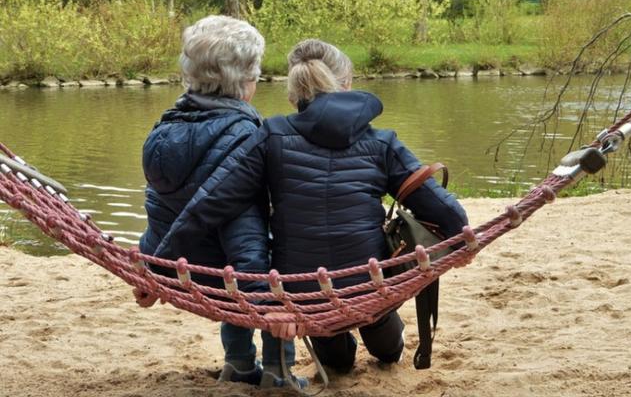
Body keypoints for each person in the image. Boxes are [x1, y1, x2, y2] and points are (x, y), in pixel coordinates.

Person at [157, 39, 468, 373]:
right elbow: (447, 213)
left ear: (294, 93)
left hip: (304, 294)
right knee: (386, 342)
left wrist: (158, 266)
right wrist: (461, 241)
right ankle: (383, 335)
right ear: (347, 84)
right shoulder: (382, 142)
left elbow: (212, 202)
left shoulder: (270, 135)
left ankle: (348, 340)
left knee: (338, 364)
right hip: (370, 283)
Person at [137, 15, 300, 388]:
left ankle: (239, 363)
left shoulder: (163, 129)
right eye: (255, 74)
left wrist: (150, 265)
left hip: (181, 266)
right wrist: (266, 303)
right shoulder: (246, 136)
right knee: (283, 256)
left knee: (233, 262)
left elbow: (160, 208)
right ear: (244, 82)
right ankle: (279, 371)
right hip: (227, 272)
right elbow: (245, 231)